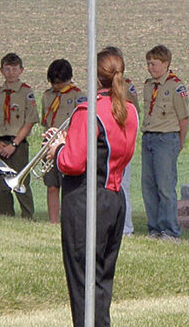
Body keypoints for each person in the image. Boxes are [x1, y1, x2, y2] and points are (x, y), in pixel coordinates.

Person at [46, 48, 138, 327]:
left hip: (86, 200)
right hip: (114, 198)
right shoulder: (130, 110)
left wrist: (57, 147)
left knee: (82, 280)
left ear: (96, 78)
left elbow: (72, 162)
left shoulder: (88, 111)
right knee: (101, 279)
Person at [141, 45, 189, 240]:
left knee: (165, 186)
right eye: (148, 63)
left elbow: (184, 118)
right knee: (149, 186)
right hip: (149, 137)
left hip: (166, 137)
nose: (150, 68)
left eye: (154, 64)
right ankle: (154, 228)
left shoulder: (175, 86)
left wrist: (180, 142)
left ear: (166, 64)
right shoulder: (148, 85)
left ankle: (170, 230)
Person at [0, 53, 39, 218]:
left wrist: (14, 144)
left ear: (21, 70)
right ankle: (4, 216)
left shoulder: (25, 93)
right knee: (0, 184)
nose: (11, 73)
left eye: (14, 69)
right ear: (1, 71)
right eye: (7, 69)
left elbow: (29, 121)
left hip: (17, 144)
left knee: (21, 181)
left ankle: (27, 217)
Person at [41, 59, 87, 223]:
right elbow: (45, 121)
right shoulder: (47, 96)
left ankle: (69, 220)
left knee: (69, 186)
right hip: (50, 144)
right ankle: (53, 221)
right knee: (52, 185)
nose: (56, 86)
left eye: (59, 83)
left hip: (68, 145)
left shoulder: (78, 96)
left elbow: (81, 122)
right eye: (53, 83)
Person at [101, 46, 139, 236]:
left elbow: (132, 112)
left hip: (120, 142)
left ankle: (125, 228)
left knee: (122, 186)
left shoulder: (127, 86)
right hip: (104, 141)